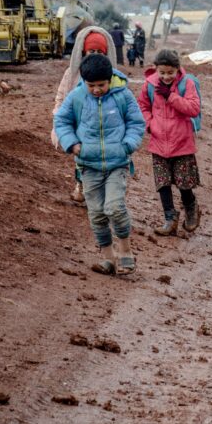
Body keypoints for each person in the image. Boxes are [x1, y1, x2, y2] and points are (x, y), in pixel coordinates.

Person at [54, 54, 145, 275]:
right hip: (88, 165)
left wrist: (128, 145)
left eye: (101, 85)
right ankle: (108, 258)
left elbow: (136, 122)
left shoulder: (123, 95)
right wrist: (72, 144)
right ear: (84, 82)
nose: (96, 89)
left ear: (110, 79)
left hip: (117, 163)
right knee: (96, 213)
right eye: (91, 85)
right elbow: (62, 121)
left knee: (114, 207)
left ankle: (125, 252)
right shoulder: (76, 97)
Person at [138, 49, 203, 235]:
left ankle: (191, 209)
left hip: (182, 143)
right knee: (163, 183)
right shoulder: (149, 85)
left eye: (170, 73)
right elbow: (143, 105)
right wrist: (150, 124)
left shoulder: (187, 83)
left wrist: (171, 96)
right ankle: (170, 218)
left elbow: (193, 108)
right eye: (162, 73)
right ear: (156, 69)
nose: (166, 77)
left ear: (177, 69)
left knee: (184, 183)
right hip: (159, 142)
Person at [51, 27, 118, 203]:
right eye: (91, 51)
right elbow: (61, 97)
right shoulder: (72, 74)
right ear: (83, 51)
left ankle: (95, 192)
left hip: (104, 126)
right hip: (80, 125)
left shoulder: (112, 77)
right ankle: (81, 187)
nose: (94, 54)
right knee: (81, 159)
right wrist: (59, 121)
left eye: (99, 52)